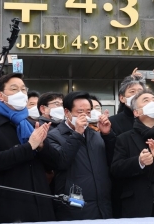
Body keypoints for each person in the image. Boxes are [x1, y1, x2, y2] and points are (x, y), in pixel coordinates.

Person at [0, 73, 58, 223]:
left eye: (23, 89)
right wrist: (29, 146)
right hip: (8, 206)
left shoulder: (32, 124)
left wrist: (41, 146)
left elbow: (54, 162)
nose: (20, 93)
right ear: (1, 96)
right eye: (14, 89)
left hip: (40, 203)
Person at [47, 91, 114, 220]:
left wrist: (107, 135)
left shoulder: (95, 134)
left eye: (88, 112)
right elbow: (61, 162)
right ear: (67, 112)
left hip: (102, 204)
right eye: (80, 111)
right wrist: (77, 133)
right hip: (73, 204)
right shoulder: (54, 136)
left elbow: (111, 161)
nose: (85, 116)